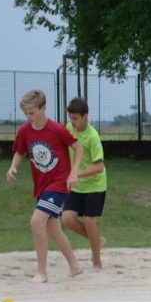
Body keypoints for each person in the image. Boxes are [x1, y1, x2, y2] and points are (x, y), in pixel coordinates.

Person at [5, 89, 85, 283]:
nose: (28, 117)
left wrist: (73, 172)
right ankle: (75, 266)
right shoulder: (24, 131)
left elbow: (78, 148)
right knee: (52, 227)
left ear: (44, 108)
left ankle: (42, 272)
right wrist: (13, 167)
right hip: (41, 185)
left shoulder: (57, 129)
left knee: (36, 221)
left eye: (32, 112)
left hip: (58, 183)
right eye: (26, 113)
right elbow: (20, 152)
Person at [61, 97, 108, 270]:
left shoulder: (93, 136)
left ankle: (97, 262)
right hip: (77, 185)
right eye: (70, 118)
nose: (72, 122)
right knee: (67, 219)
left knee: (89, 221)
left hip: (95, 185)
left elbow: (99, 166)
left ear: (85, 116)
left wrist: (76, 174)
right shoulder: (67, 129)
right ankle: (98, 240)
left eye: (75, 118)